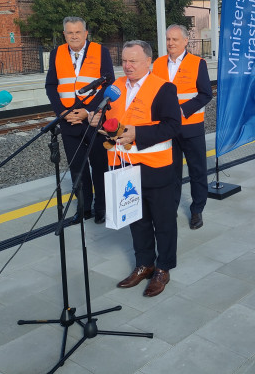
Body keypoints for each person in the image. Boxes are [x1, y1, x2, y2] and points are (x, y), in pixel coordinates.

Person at [91, 40, 181, 297]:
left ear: (148, 62)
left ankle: (163, 267)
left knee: (163, 221)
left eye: (133, 61)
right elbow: (107, 119)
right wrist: (96, 120)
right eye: (124, 60)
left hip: (155, 166)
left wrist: (138, 134)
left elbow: (173, 126)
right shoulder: (114, 88)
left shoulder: (164, 89)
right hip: (123, 165)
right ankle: (145, 264)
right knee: (136, 219)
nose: (127, 66)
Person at [45, 16, 114, 224]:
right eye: (69, 33)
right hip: (68, 122)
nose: (74, 36)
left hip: (94, 120)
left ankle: (101, 208)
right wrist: (62, 113)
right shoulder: (57, 53)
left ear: (86, 33)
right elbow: (51, 86)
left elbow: (108, 85)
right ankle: (84, 208)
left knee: (100, 166)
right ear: (64, 34)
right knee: (77, 168)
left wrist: (88, 111)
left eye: (78, 32)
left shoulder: (101, 51)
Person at [152, 24, 212, 230]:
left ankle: (197, 209)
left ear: (186, 41)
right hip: (167, 130)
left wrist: (182, 109)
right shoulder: (158, 64)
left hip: (191, 127)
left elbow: (206, 94)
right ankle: (171, 207)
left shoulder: (198, 63)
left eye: (175, 40)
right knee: (171, 172)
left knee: (197, 170)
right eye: (168, 39)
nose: (170, 43)